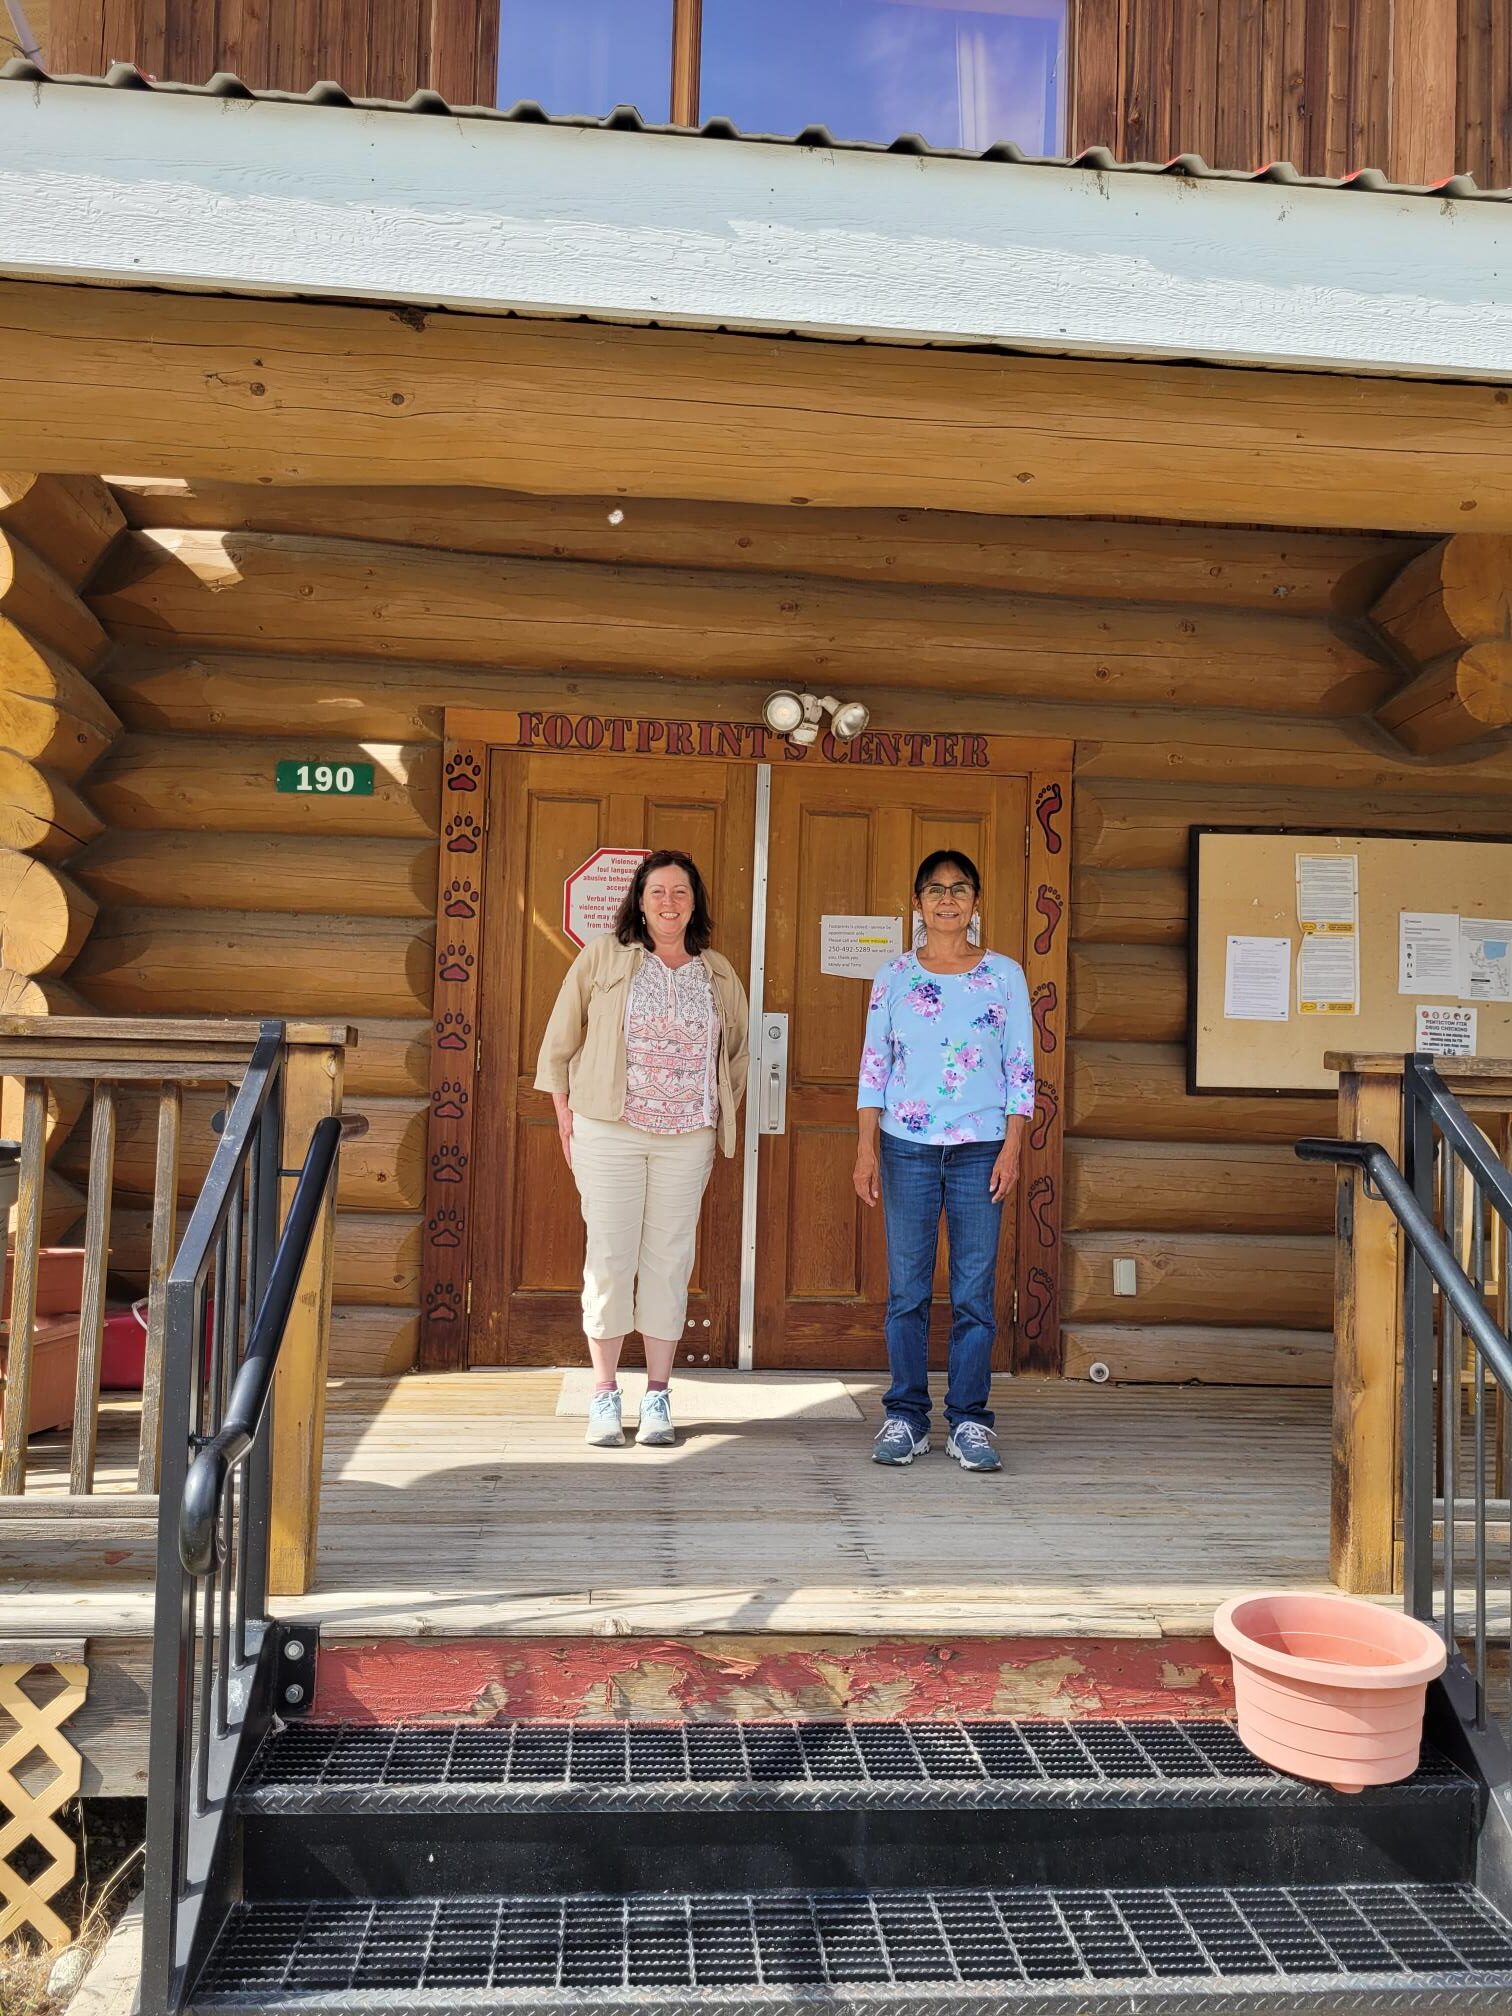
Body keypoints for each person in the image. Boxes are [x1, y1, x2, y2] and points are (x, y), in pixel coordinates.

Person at [536, 850, 749, 1450]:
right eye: (657, 891)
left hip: (687, 1138)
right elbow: (561, 1038)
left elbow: (736, 1057)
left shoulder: (718, 972)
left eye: (680, 892)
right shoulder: (604, 955)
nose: (669, 903)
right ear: (638, 898)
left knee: (669, 1259)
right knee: (609, 1255)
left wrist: (707, 1110)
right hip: (610, 1130)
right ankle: (604, 1394)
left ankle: (657, 1393)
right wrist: (566, 1117)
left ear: (694, 902)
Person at [853, 849, 1033, 1473]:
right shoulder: (894, 977)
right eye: (935, 889)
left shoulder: (1005, 976)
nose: (948, 899)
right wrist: (865, 1147)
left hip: (982, 1148)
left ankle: (969, 1421)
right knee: (906, 1290)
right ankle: (904, 1416)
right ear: (918, 903)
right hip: (905, 1146)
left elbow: (1020, 1070)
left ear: (976, 903)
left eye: (960, 889)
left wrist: (1012, 1146)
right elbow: (875, 1067)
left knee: (975, 1294)